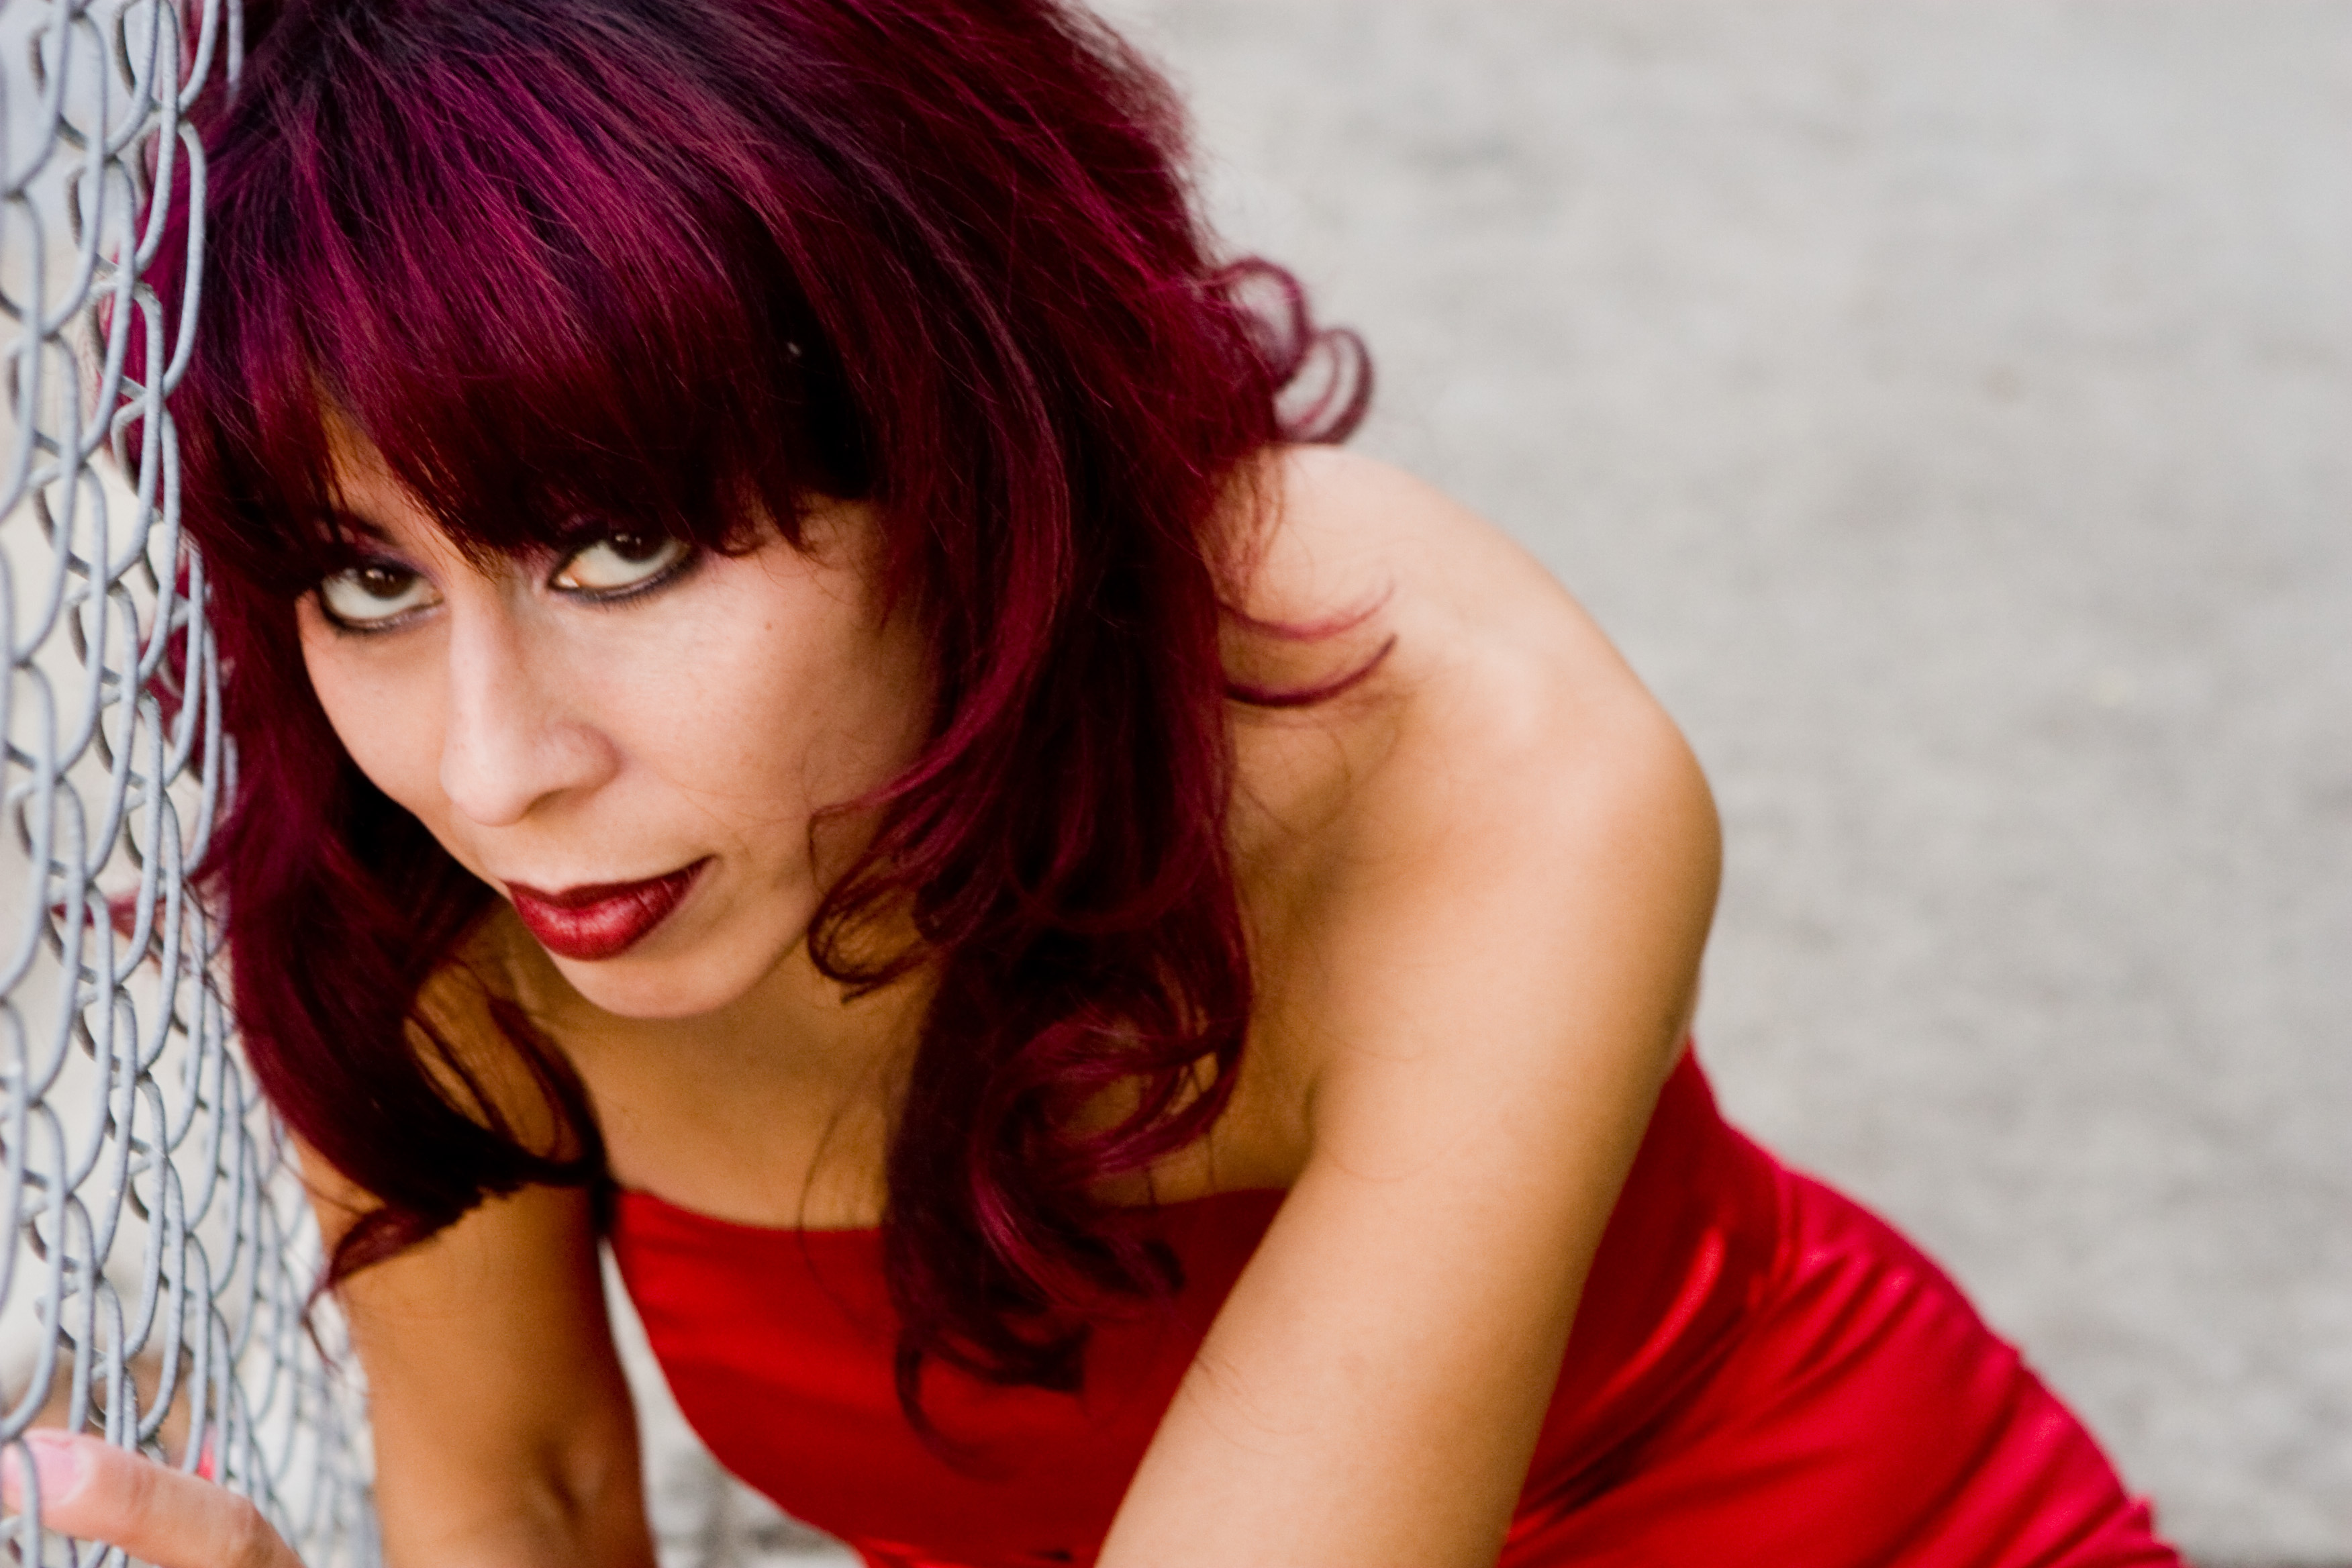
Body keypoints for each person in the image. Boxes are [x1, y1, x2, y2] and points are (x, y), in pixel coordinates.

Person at [0, 2, 2186, 1564]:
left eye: (625, 550)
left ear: (968, 441)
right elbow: (535, 1497)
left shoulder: (1469, 763)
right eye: (369, 577)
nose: (494, 771)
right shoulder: (401, 852)